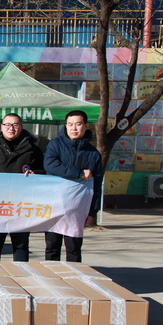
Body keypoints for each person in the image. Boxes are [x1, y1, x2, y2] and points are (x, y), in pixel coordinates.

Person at [0, 113, 44, 262]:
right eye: (7, 125)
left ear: (21, 127)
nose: (11, 128)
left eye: (15, 125)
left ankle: (21, 273)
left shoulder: (33, 150)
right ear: (1, 127)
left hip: (22, 204)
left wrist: (35, 173)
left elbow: (44, 171)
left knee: (21, 244)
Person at [44, 110, 103, 262]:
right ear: (66, 126)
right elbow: (50, 165)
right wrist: (79, 173)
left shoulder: (93, 154)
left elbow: (96, 185)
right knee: (52, 247)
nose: (74, 128)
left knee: (74, 249)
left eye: (78, 124)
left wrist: (92, 211)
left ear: (86, 126)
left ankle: (73, 275)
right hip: (54, 205)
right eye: (70, 124)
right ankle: (51, 275)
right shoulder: (55, 144)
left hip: (77, 208)